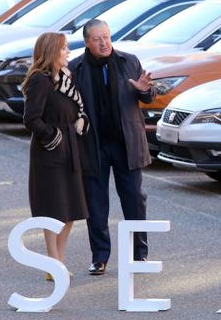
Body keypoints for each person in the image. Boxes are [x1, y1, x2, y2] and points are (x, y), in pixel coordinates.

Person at [69, 19, 155, 276]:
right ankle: (99, 257)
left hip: (126, 143)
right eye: (97, 39)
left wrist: (145, 91)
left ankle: (139, 256)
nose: (104, 42)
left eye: (106, 36)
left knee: (135, 200)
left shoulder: (129, 61)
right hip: (92, 144)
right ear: (87, 42)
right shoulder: (76, 68)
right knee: (96, 204)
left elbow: (147, 95)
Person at [22, 32, 90, 281]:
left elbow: (76, 109)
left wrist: (81, 120)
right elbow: (31, 119)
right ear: (52, 51)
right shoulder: (41, 80)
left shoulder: (65, 79)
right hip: (50, 152)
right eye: (63, 49)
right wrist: (53, 137)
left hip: (71, 147)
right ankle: (53, 263)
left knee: (71, 207)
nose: (68, 52)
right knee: (53, 209)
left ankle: (59, 261)